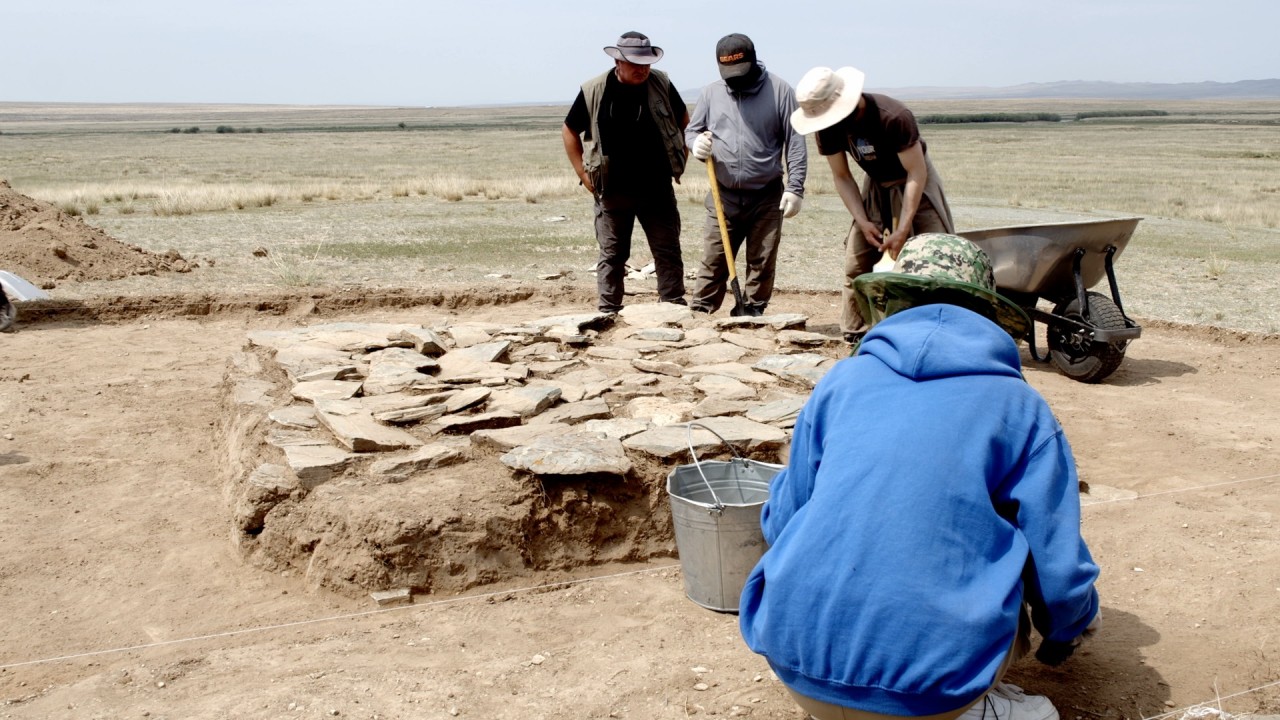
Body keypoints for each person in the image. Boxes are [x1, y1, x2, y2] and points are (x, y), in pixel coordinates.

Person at [738, 233, 1100, 720]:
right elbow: (1057, 568)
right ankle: (975, 706)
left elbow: (782, 519)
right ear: (987, 313)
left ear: (892, 301)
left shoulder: (839, 384)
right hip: (928, 695)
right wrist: (1065, 633)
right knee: (1008, 565)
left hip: (797, 666)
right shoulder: (1019, 408)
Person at [790, 66, 955, 344]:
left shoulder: (893, 117)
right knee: (856, 261)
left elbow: (916, 173)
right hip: (876, 184)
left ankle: (941, 330)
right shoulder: (827, 129)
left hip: (916, 183)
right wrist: (862, 220)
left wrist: (903, 228)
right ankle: (854, 332)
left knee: (935, 257)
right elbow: (841, 176)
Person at [562, 31, 690, 314]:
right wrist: (582, 174)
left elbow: (684, 120)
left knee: (667, 249)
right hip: (611, 190)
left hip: (657, 187)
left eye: (646, 64)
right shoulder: (594, 89)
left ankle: (673, 305)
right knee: (612, 253)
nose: (643, 69)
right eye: (635, 64)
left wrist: (683, 155)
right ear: (618, 61)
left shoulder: (662, 83)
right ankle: (608, 310)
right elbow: (569, 129)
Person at [685, 33, 807, 317]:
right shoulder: (711, 93)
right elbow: (692, 130)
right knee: (714, 259)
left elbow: (796, 141)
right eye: (729, 75)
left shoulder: (780, 91)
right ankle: (701, 312)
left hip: (766, 194)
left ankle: (752, 311)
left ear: (753, 61)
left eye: (740, 73)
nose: (735, 80)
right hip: (723, 195)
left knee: (762, 259)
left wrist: (795, 187)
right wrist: (695, 144)